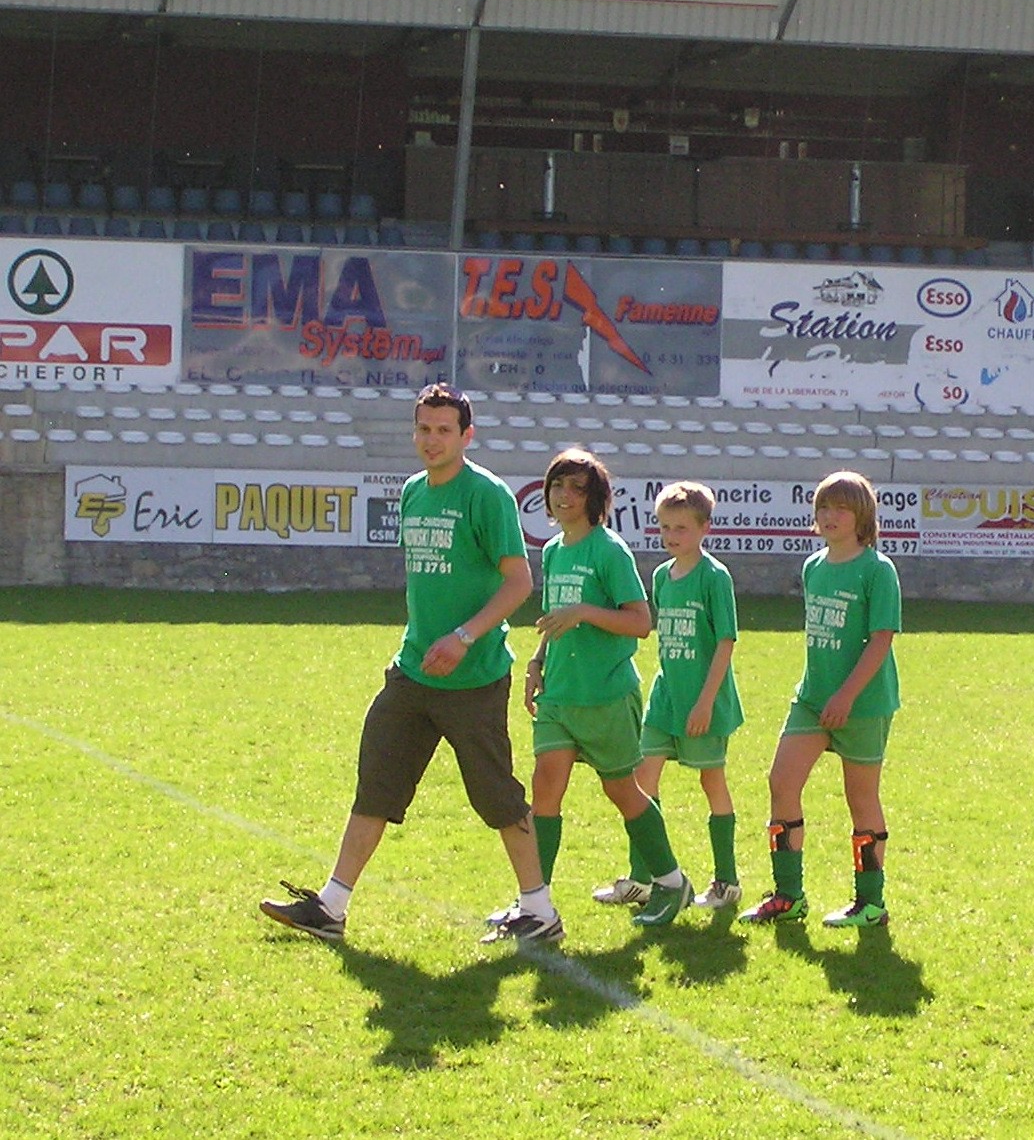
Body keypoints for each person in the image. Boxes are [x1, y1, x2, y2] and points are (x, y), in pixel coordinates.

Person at [260, 384, 558, 943]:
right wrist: (430, 643)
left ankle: (539, 910)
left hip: (474, 678)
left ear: (467, 436)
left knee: (497, 797)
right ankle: (331, 907)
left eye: (444, 430)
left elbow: (519, 583)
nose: (432, 439)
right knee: (376, 784)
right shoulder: (413, 492)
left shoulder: (487, 495)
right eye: (424, 428)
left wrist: (464, 637)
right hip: (413, 672)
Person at [516, 448, 693, 931]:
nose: (564, 496)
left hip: (606, 695)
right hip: (559, 695)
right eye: (557, 486)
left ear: (595, 498)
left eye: (577, 488)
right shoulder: (554, 551)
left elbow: (640, 622)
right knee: (544, 789)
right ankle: (534, 903)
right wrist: (536, 662)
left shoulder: (609, 550)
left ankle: (672, 882)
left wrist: (585, 613)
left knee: (622, 792)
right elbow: (556, 620)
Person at [740, 470, 902, 929]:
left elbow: (881, 639)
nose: (830, 516)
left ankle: (870, 903)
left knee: (861, 797)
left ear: (862, 516)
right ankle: (788, 896)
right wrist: (826, 693)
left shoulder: (877, 570)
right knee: (781, 782)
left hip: (863, 703)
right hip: (812, 699)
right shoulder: (813, 567)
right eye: (823, 507)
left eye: (841, 509)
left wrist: (847, 695)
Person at [621, 481, 747, 911]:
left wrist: (705, 702)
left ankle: (726, 881)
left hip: (703, 699)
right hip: (666, 697)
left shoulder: (714, 577)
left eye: (681, 528)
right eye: (665, 527)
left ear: (704, 528)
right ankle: (642, 878)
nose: (671, 536)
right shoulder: (661, 576)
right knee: (642, 778)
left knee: (711, 780)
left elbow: (726, 641)